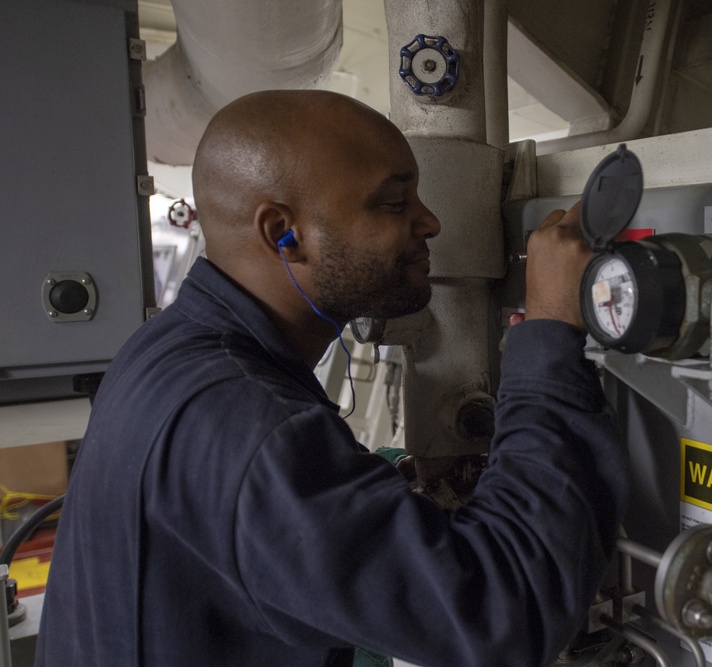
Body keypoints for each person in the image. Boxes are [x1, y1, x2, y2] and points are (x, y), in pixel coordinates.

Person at [36, 90, 628, 667]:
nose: (431, 221)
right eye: (393, 205)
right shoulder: (252, 426)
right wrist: (550, 329)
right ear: (281, 232)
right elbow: (505, 612)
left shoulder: (168, 349)